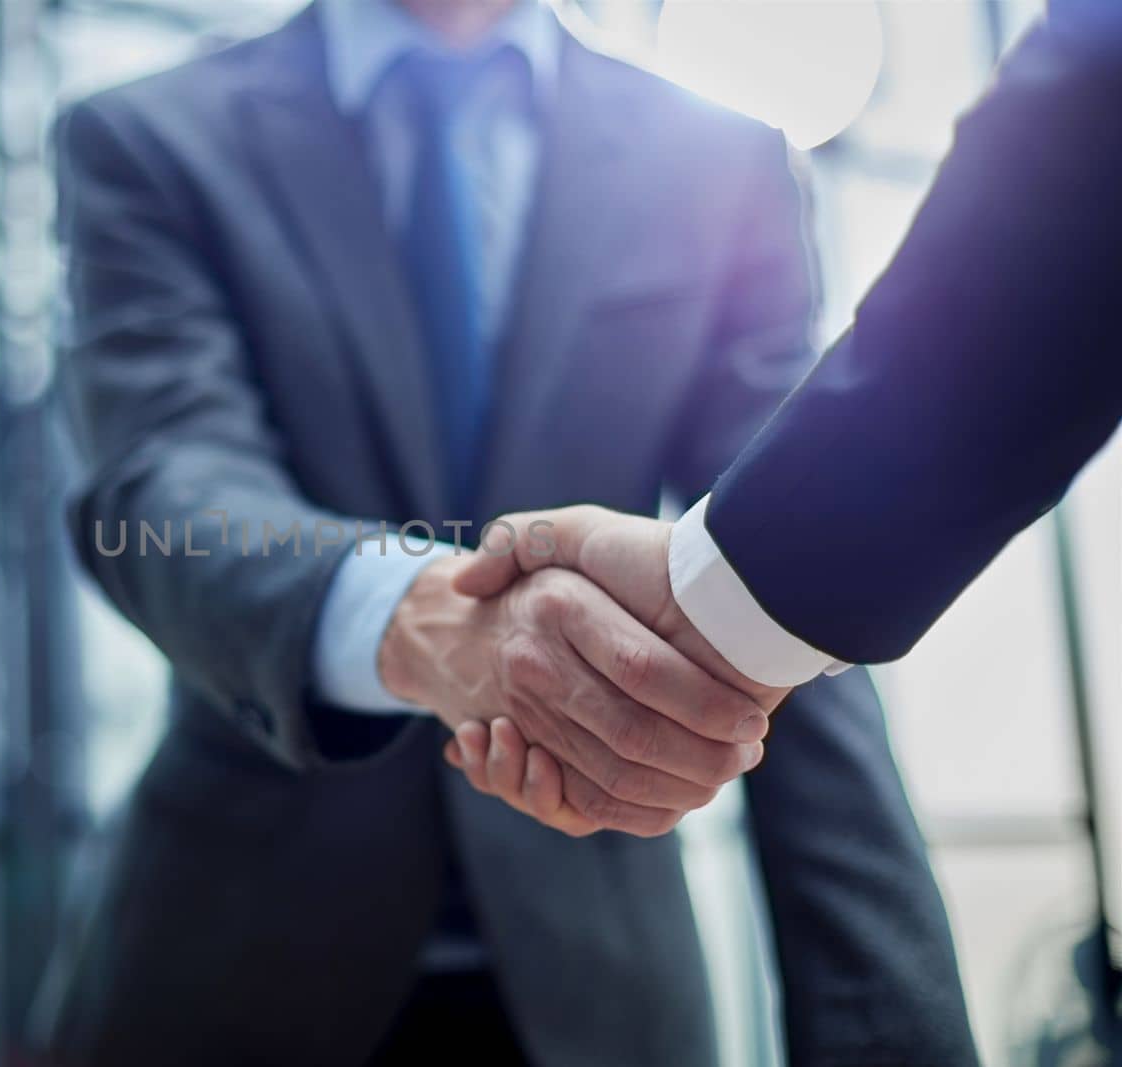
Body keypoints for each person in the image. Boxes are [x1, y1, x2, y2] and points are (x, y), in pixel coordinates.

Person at [53, 0, 974, 1063]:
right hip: (228, 969)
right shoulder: (152, 136)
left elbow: (794, 579)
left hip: (603, 984)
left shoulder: (717, 164)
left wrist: (888, 1029)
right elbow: (164, 489)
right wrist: (427, 621)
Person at [451, 1, 1122, 842]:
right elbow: (228, 508)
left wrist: (886, 973)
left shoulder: (714, 156)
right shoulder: (226, 122)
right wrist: (438, 627)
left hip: (600, 925)